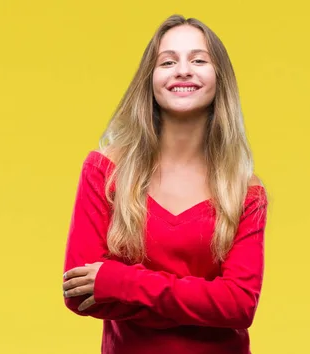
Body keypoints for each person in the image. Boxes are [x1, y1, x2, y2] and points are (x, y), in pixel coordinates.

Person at [61, 14, 268, 354]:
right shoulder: (105, 170)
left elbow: (239, 306)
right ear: (150, 80)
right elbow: (79, 294)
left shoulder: (246, 192)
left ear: (220, 79)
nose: (183, 70)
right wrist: (203, 304)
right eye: (167, 61)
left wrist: (120, 282)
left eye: (199, 60)